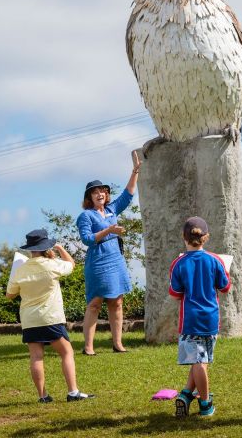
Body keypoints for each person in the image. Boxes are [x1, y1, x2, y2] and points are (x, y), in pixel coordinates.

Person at [6, 229, 94, 403]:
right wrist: (60, 248)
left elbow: (10, 294)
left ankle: (43, 396)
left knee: (36, 356)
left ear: (30, 248)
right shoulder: (52, 265)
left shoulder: (21, 269)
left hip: (29, 319)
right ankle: (72, 392)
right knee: (66, 352)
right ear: (46, 246)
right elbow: (71, 264)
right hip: (50, 317)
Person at [75, 151, 141, 355]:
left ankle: (118, 344)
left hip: (116, 259)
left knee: (117, 301)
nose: (99, 194)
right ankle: (88, 347)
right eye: (95, 192)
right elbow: (87, 239)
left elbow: (128, 195)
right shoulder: (85, 216)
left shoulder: (112, 209)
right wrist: (109, 230)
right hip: (98, 261)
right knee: (95, 303)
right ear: (89, 197)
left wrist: (135, 172)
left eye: (102, 191)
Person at [169, 217, 230, 418]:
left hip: (189, 320)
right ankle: (203, 402)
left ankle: (193, 397)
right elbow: (225, 287)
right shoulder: (215, 260)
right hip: (211, 319)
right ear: (206, 237)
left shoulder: (178, 263)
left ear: (183, 237)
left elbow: (175, 293)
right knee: (201, 361)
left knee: (197, 360)